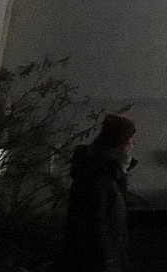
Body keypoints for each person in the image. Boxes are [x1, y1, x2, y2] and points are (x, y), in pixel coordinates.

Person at [53, 113, 136, 272]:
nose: (133, 143)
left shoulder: (106, 174)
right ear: (121, 141)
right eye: (131, 138)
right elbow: (94, 226)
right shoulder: (99, 176)